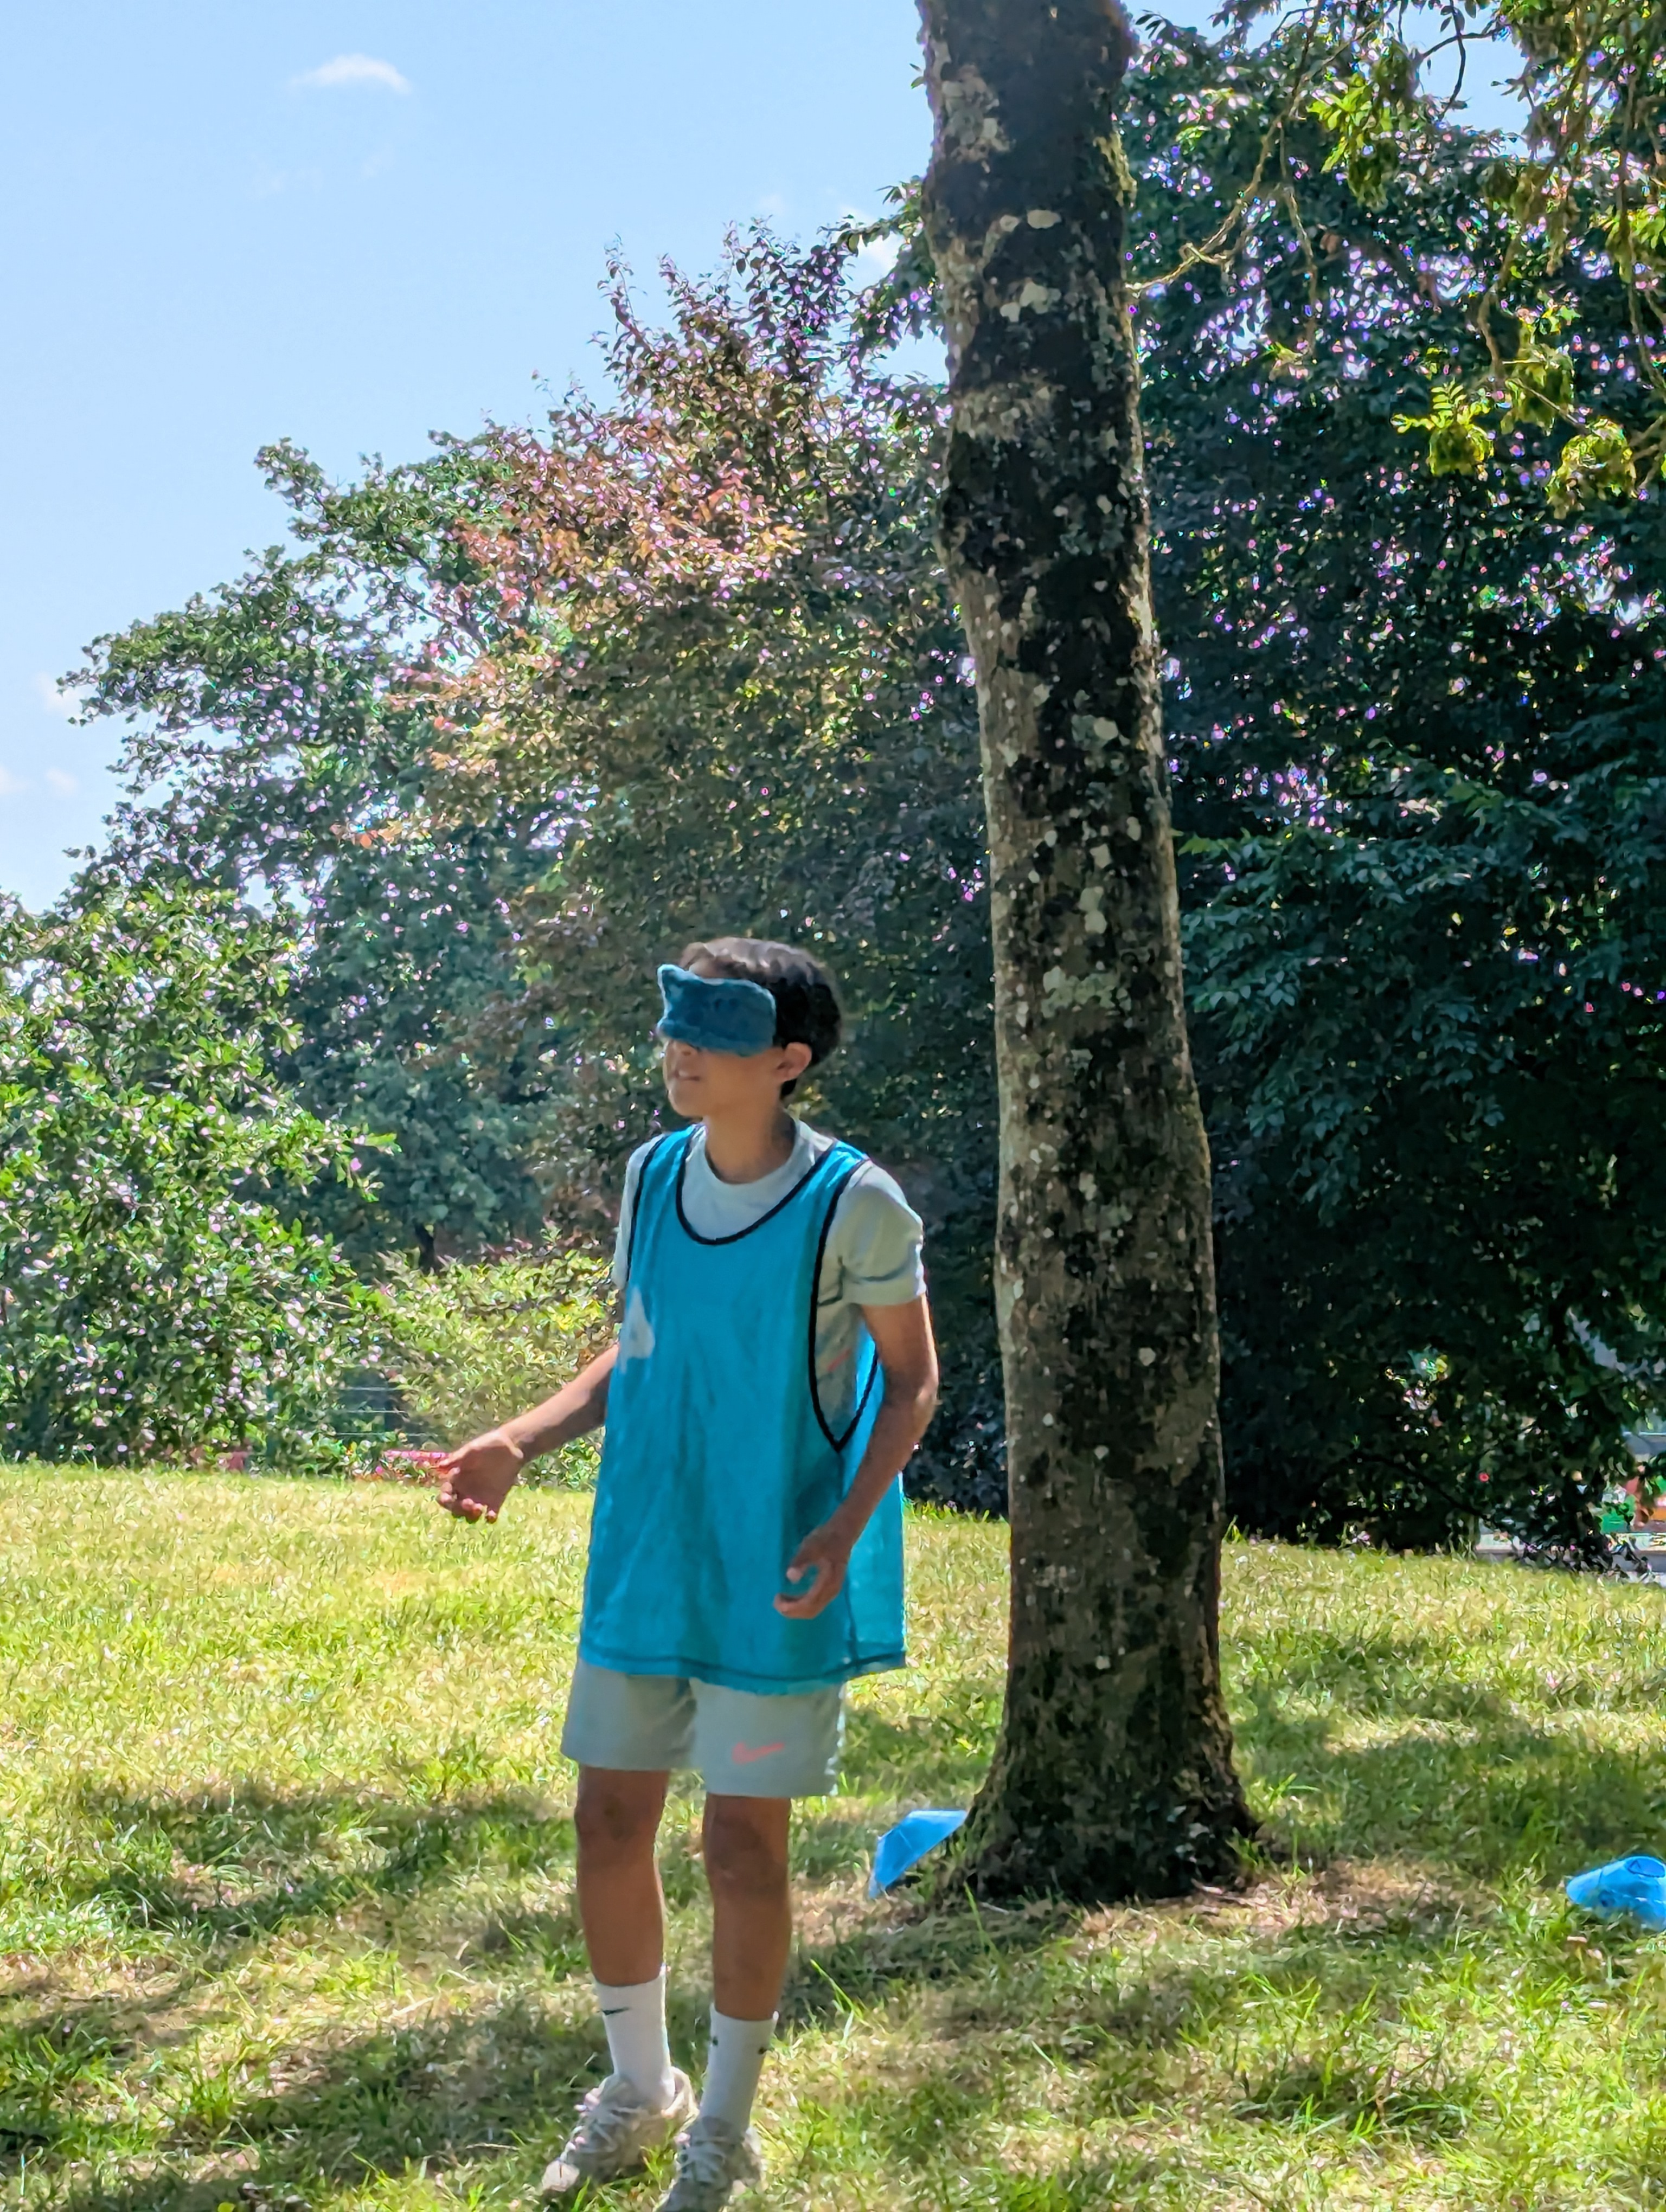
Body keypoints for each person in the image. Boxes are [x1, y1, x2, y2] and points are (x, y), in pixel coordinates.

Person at [435, 937, 939, 2211]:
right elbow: (640, 1348)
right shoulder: (653, 1174)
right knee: (607, 1822)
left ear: (788, 1060)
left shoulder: (857, 1204)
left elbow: (914, 1381)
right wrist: (520, 1440)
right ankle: (637, 2087)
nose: (680, 1052)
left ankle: (725, 2125)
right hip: (649, 1554)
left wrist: (844, 1529)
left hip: (775, 1568)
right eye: (675, 1027)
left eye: (712, 1033)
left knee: (740, 1846)